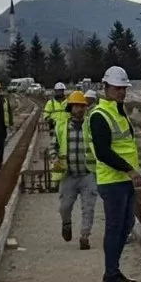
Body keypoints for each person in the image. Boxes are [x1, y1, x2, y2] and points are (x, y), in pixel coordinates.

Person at [90, 66, 141, 282]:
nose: (121, 92)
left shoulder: (120, 111)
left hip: (125, 180)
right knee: (115, 227)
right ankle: (111, 273)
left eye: (123, 88)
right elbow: (103, 151)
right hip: (113, 181)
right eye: (117, 88)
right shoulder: (100, 115)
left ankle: (114, 270)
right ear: (106, 88)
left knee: (127, 224)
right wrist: (128, 169)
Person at [51, 89, 97, 249]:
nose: (79, 109)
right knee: (65, 207)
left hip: (87, 174)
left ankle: (85, 236)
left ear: (86, 108)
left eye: (82, 106)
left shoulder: (91, 125)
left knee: (88, 208)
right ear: (70, 108)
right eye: (75, 106)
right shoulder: (61, 127)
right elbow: (53, 146)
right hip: (68, 175)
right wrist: (54, 158)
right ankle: (66, 224)